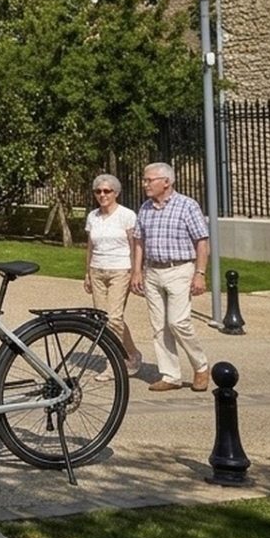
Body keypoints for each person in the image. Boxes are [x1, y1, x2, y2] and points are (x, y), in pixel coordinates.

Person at [130, 162, 211, 392]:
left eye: (150, 180)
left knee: (178, 322)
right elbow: (139, 241)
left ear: (166, 182)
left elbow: (202, 241)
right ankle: (170, 375)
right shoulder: (145, 208)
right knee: (159, 326)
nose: (145, 184)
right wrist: (137, 271)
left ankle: (201, 366)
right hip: (153, 271)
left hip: (180, 269)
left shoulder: (187, 206)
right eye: (145, 179)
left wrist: (200, 273)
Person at [82, 173, 142, 378]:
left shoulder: (127, 215)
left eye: (107, 191)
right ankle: (132, 354)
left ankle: (113, 364)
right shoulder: (93, 216)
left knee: (114, 318)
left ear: (116, 193)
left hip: (120, 270)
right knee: (103, 319)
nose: (102, 195)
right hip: (97, 270)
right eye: (98, 191)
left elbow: (134, 245)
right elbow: (90, 246)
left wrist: (136, 272)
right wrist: (87, 273)